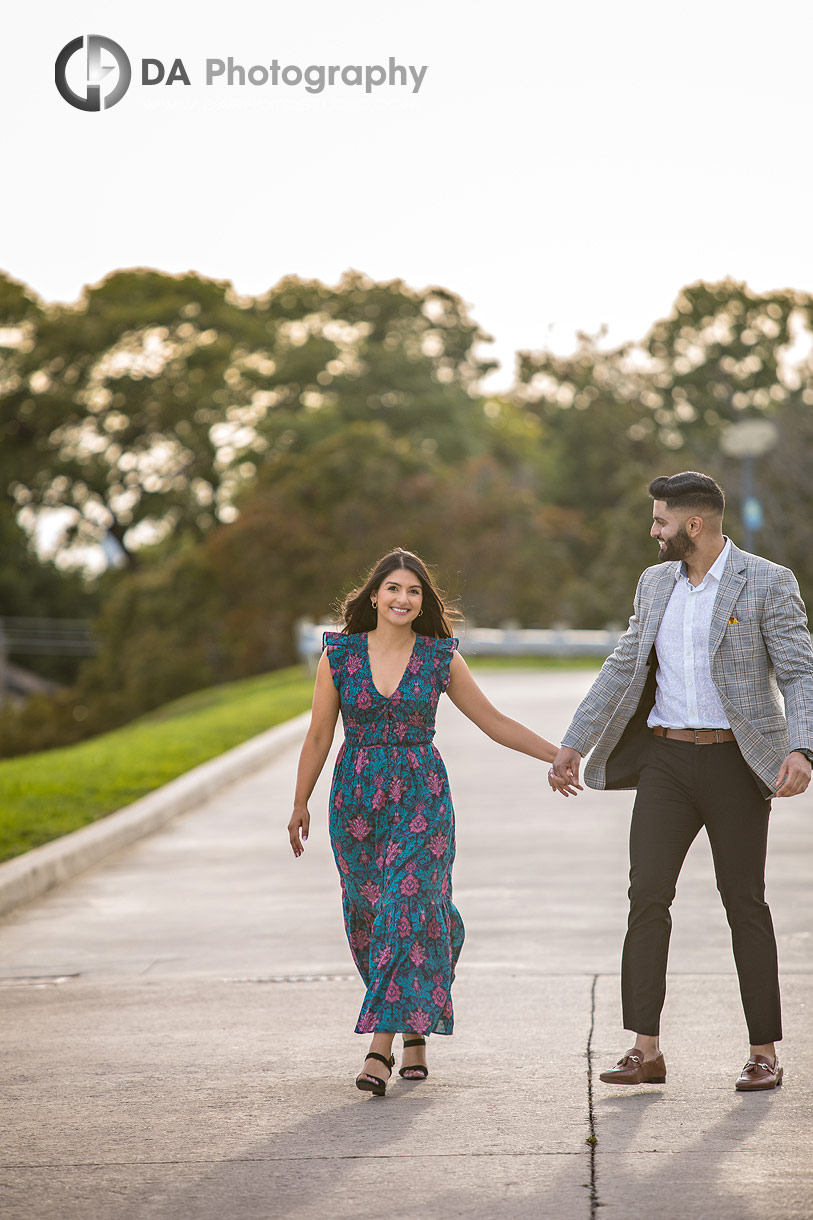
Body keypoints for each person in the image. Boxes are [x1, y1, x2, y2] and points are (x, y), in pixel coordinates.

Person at [550, 471, 813, 1091]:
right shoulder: (655, 582)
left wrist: (803, 747)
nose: (653, 531)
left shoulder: (768, 583)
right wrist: (573, 742)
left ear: (694, 524)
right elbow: (623, 666)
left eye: (661, 521)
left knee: (744, 903)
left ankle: (763, 1052)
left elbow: (801, 672)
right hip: (665, 763)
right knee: (647, 899)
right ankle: (645, 1050)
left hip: (735, 763)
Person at [288, 548, 574, 1096]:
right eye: (393, 588)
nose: (403, 599)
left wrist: (554, 754)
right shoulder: (340, 656)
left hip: (422, 799)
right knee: (371, 918)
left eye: (414, 591)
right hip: (356, 805)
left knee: (407, 909)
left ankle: (380, 1047)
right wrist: (299, 802)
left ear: (423, 603)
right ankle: (417, 1029)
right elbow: (320, 735)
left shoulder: (439, 657)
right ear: (374, 595)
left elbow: (492, 721)